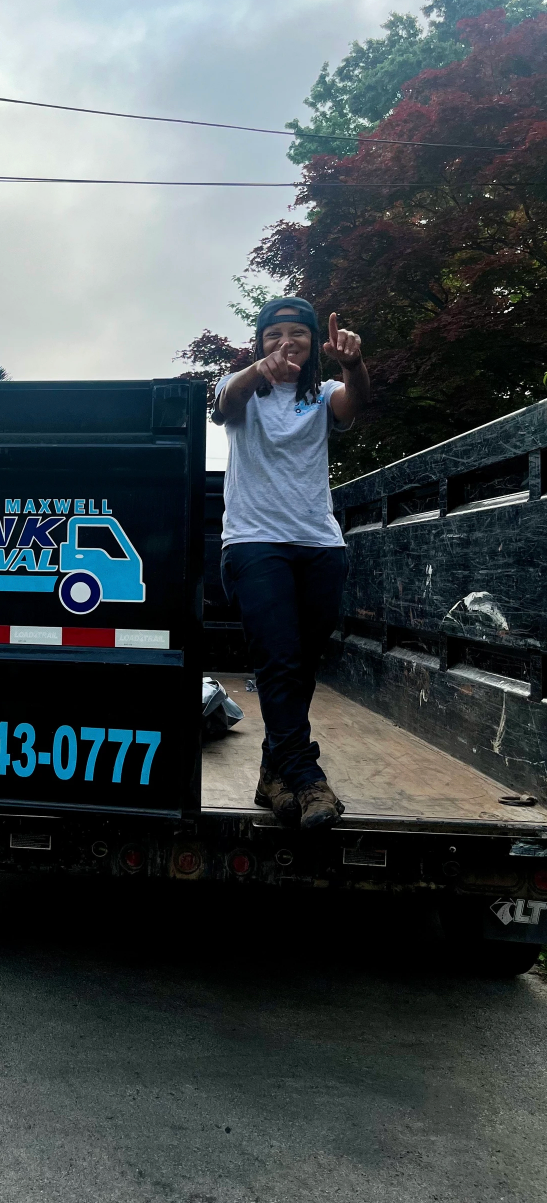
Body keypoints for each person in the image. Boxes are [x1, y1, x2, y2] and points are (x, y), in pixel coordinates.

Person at [212, 298, 370, 828]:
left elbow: (355, 401)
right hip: (254, 543)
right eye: (273, 333)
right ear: (259, 343)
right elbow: (225, 404)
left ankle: (272, 774)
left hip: (320, 544)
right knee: (278, 661)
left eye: (297, 332)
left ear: (313, 342)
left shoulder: (322, 394)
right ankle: (306, 777)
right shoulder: (242, 389)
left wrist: (353, 364)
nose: (285, 341)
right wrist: (260, 369)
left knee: (300, 667)